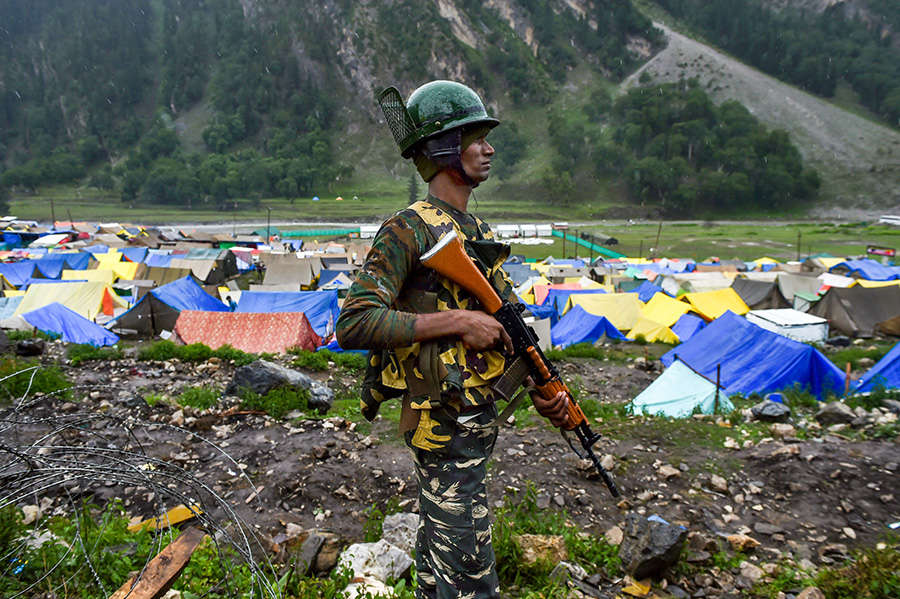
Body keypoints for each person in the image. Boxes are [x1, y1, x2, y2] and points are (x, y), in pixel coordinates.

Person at [336, 80, 568, 599]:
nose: (488, 149)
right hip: (442, 424)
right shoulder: (408, 229)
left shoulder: (472, 227)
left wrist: (544, 390)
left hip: (473, 422)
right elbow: (353, 322)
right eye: (474, 137)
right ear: (443, 148)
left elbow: (509, 326)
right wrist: (457, 323)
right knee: (469, 578)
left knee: (438, 568)